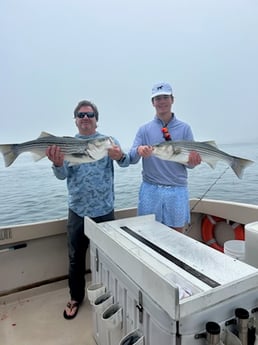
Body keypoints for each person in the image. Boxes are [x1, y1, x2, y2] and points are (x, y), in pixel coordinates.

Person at [46, 99, 129, 320]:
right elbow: (62, 175)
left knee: (109, 258)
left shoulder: (108, 140)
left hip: (104, 210)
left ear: (96, 119)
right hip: (78, 211)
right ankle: (75, 297)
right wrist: (56, 163)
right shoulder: (66, 144)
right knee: (75, 258)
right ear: (75, 120)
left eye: (89, 114)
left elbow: (126, 161)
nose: (85, 118)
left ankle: (111, 294)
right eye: (80, 115)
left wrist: (119, 155)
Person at [129, 82, 201, 233]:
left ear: (172, 100)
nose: (162, 102)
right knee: (148, 233)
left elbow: (190, 164)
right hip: (150, 189)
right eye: (157, 98)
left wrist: (193, 162)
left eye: (165, 97)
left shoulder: (185, 128)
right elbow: (132, 157)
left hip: (177, 190)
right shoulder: (144, 130)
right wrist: (139, 150)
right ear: (152, 103)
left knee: (176, 234)